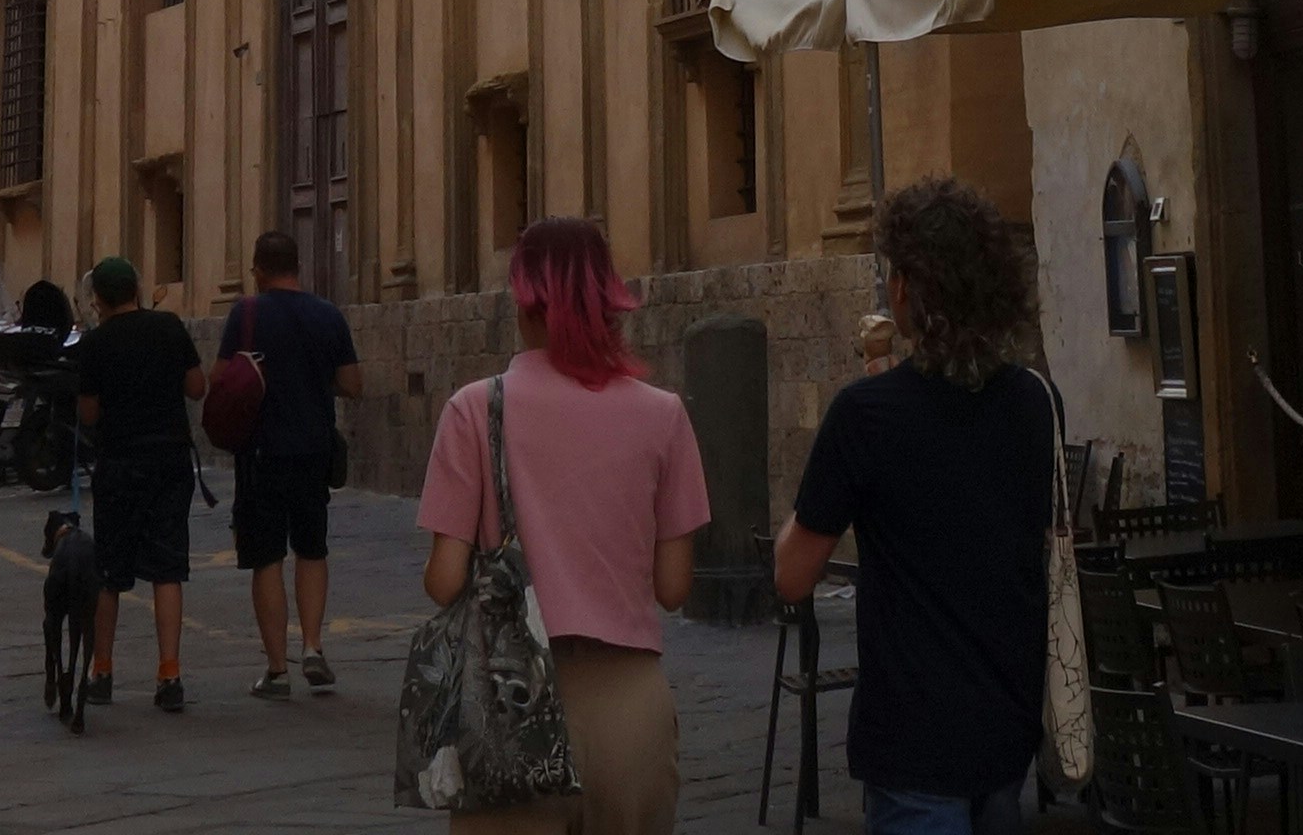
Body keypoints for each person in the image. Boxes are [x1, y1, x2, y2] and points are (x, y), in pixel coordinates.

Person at [774, 182, 1056, 835]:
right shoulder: (1036, 402)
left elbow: (792, 574)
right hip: (1007, 725)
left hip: (913, 733)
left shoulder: (864, 417)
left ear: (907, 291)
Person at [418, 218, 709, 835]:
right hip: (628, 710)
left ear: (524, 304)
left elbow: (444, 582)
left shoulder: (474, 409)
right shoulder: (665, 416)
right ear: (609, 303)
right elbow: (674, 585)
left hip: (507, 707)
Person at [220, 228, 365, 698]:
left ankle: (278, 669)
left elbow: (223, 379)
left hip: (260, 453)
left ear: (259, 269)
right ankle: (314, 647)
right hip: (312, 448)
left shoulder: (246, 313)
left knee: (266, 558)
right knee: (312, 548)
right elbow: (352, 383)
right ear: (297, 266)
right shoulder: (328, 315)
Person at [66, 254, 201, 712]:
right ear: (138, 291)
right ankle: (169, 672)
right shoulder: (169, 328)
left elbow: (87, 413)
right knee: (167, 568)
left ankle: (101, 668)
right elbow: (197, 387)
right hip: (169, 460)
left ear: (99, 299)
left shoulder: (97, 344)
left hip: (120, 464)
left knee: (110, 571)